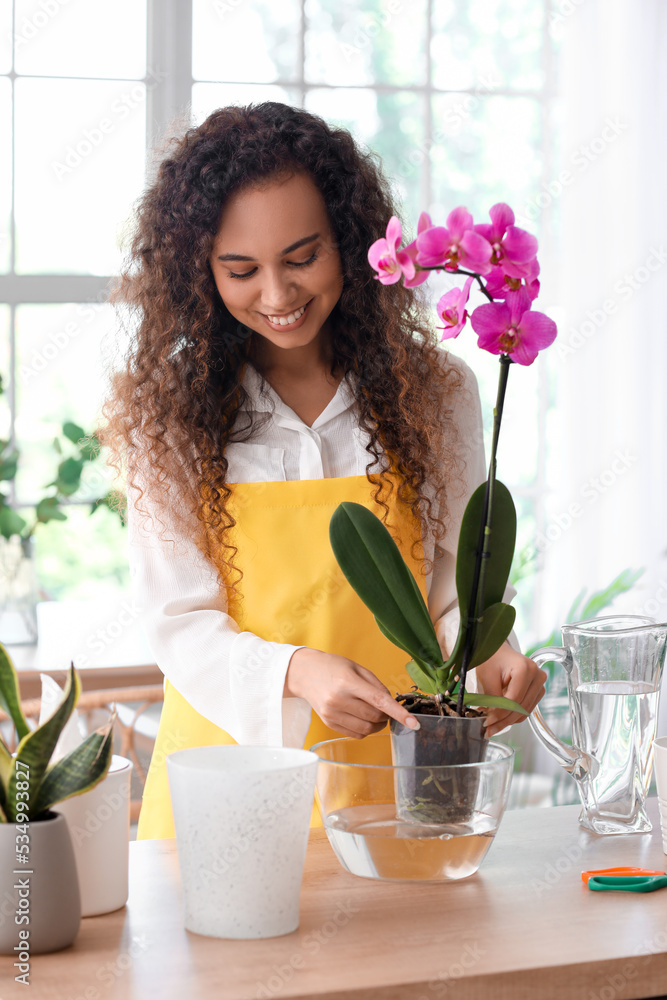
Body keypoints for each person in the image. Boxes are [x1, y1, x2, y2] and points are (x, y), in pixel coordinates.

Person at [102, 102, 547, 840]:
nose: (276, 297)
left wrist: (485, 652)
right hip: (223, 793)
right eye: (240, 270)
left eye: (303, 257)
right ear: (199, 271)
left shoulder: (436, 394)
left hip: (392, 780)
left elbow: (446, 594)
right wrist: (297, 673)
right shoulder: (169, 421)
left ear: (350, 240)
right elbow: (178, 625)